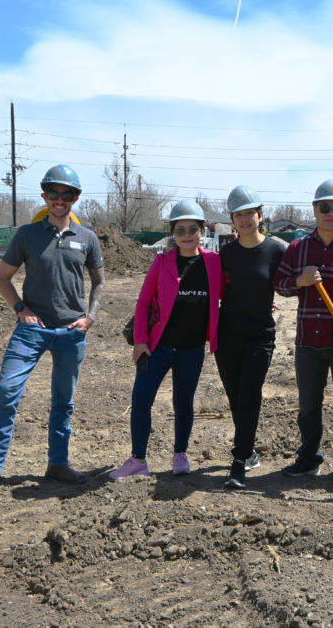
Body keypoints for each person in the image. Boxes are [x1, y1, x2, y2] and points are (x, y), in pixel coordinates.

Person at [0, 164, 105, 500]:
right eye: (54, 193)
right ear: (44, 195)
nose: (60, 200)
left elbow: (99, 282)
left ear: (75, 198)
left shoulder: (87, 238)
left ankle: (58, 464)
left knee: (64, 402)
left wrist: (90, 318)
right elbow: (2, 278)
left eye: (67, 194)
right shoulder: (27, 235)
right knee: (6, 392)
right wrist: (20, 308)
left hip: (72, 332)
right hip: (32, 330)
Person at [109, 200, 223, 479]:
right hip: (157, 348)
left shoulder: (213, 262)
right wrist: (140, 341)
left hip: (191, 350)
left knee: (183, 402)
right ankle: (138, 460)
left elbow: (231, 291)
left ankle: (180, 456)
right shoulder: (162, 262)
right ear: (173, 232)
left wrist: (259, 302)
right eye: (180, 229)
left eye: (192, 229)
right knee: (141, 400)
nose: (186, 235)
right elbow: (143, 303)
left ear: (202, 230)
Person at [273, 179, 333, 490]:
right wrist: (300, 281)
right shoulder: (298, 248)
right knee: (308, 406)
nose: (331, 213)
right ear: (315, 210)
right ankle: (309, 457)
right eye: (325, 207)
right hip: (308, 343)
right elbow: (278, 283)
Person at [216, 185, 287, 489]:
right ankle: (250, 449)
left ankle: (238, 462)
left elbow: (289, 282)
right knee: (235, 397)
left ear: (260, 216)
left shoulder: (276, 249)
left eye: (250, 213)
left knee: (249, 395)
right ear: (232, 219)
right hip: (227, 335)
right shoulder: (226, 253)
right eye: (239, 214)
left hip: (260, 335)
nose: (245, 219)